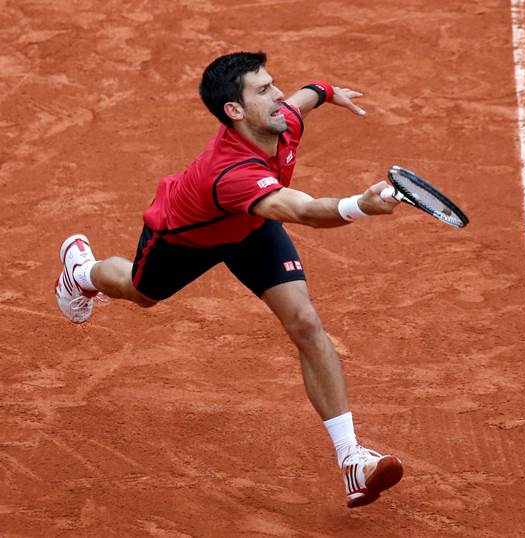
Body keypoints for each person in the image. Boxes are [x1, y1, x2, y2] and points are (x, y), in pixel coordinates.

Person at [54, 51, 403, 508]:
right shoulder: (230, 172)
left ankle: (352, 459)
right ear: (234, 112)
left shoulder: (280, 119)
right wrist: (360, 205)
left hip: (252, 228)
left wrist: (330, 92)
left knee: (304, 322)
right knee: (141, 294)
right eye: (263, 91)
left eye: (272, 83)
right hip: (186, 238)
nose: (279, 96)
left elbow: (307, 95)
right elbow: (300, 211)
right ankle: (81, 273)